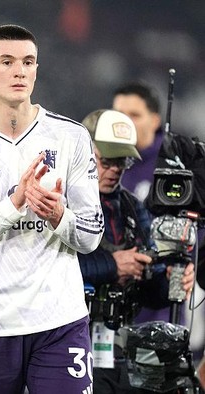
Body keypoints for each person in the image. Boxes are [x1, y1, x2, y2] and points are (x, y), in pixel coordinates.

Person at [0, 24, 104, 393]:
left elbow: (91, 235)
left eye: (28, 62)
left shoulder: (71, 136)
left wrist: (59, 215)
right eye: (7, 61)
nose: (19, 71)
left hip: (59, 321)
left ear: (37, 69)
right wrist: (13, 205)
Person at [78, 109, 195, 393]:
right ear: (82, 151)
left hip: (118, 348)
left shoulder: (132, 207)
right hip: (67, 343)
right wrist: (113, 265)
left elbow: (152, 291)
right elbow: (49, 267)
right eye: (106, 160)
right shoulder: (61, 203)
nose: (115, 169)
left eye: (122, 161)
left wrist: (172, 280)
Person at [112, 82, 163, 201]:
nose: (125, 122)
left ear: (155, 121)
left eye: (134, 115)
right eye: (119, 114)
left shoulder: (174, 163)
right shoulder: (97, 158)